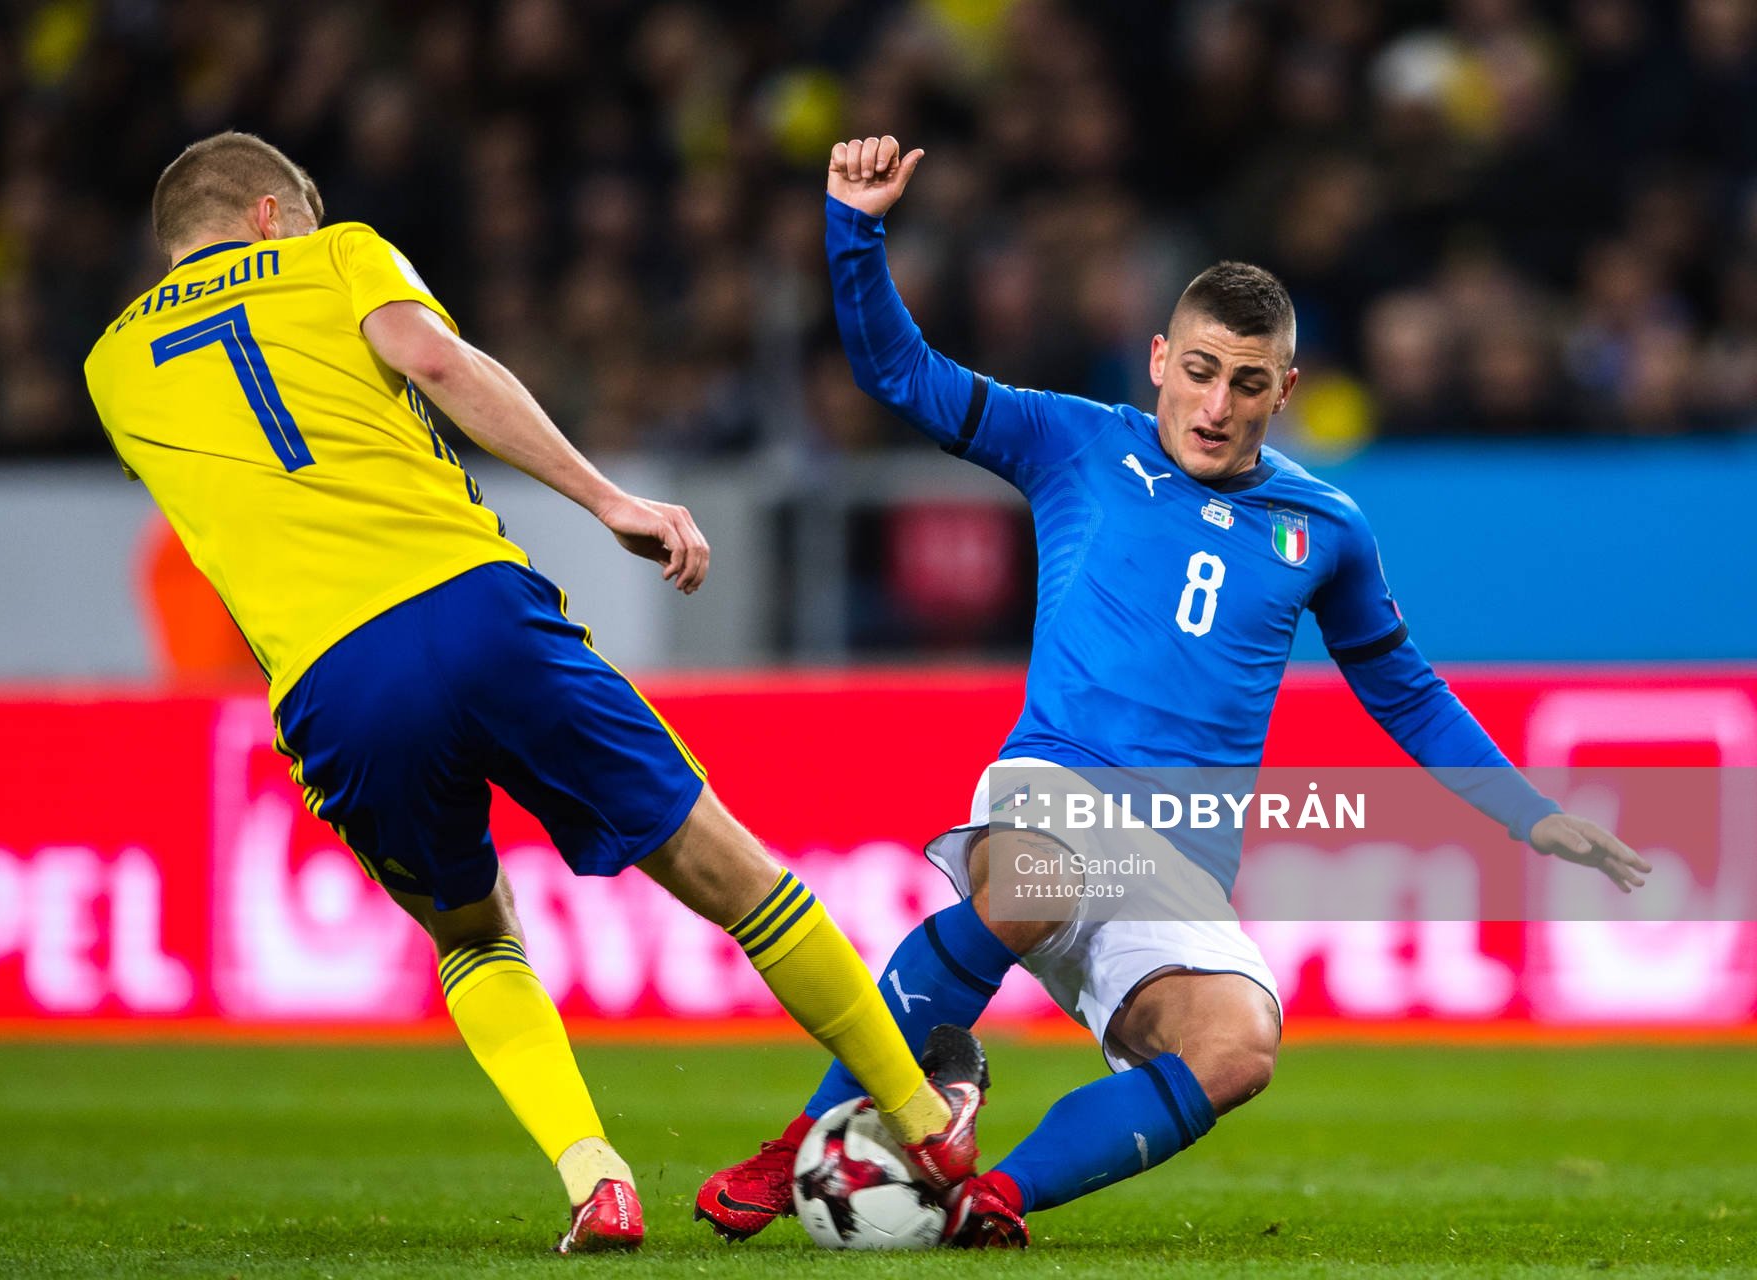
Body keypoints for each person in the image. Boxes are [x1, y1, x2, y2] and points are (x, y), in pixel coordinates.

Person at [695, 136, 1651, 1249]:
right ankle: (798, 1144)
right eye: (1199, 370)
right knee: (1040, 875)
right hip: (1051, 787)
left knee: (1239, 1044)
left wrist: (1531, 813)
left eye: (1248, 383)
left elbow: (1405, 690)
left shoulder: (1327, 529)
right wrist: (855, 231)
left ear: (1284, 390)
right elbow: (898, 373)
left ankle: (990, 1201)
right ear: (1158, 359)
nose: (1216, 404)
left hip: (1181, 851)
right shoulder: (1071, 441)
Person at [82, 131, 990, 1255]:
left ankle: (592, 1175)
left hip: (331, 680)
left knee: (469, 937)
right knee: (735, 873)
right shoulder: (336, 257)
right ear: (273, 213)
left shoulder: (109, 368)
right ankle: (926, 1128)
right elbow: (441, 362)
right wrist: (610, 499)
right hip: (471, 605)